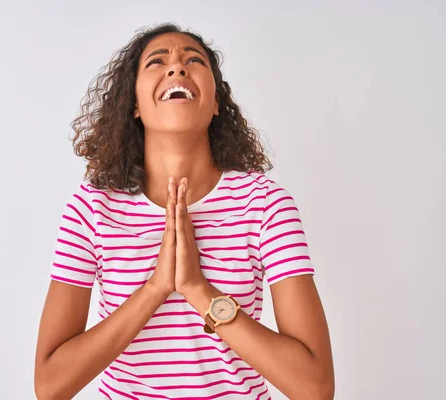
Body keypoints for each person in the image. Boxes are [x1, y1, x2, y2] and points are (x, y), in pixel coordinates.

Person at [34, 23, 334, 400]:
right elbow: (49, 385)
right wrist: (155, 288)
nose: (176, 68)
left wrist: (198, 290)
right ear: (135, 105)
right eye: (157, 62)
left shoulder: (265, 204)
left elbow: (316, 387)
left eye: (194, 60)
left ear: (215, 102)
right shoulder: (92, 208)